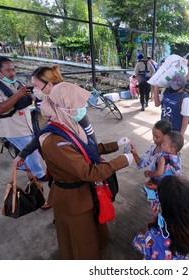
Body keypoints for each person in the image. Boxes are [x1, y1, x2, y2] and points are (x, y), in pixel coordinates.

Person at [38, 81, 133, 259]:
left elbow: (86, 149)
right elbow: (88, 172)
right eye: (78, 105)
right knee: (80, 239)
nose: (82, 108)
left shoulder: (68, 126)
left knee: (92, 227)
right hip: (71, 197)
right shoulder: (55, 141)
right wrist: (122, 161)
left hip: (83, 191)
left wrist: (116, 145)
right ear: (64, 108)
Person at [0, 56, 47, 181]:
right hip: (13, 128)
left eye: (13, 69)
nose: (13, 73)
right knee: (31, 151)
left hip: (28, 124)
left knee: (29, 149)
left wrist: (41, 94)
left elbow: (30, 98)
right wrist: (18, 95)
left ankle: (23, 165)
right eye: (8, 70)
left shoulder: (17, 83)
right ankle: (39, 175)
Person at [132, 176, 189, 260]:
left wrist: (153, 220)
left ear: (163, 210)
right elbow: (177, 199)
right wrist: (159, 189)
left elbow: (137, 243)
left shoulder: (154, 237)